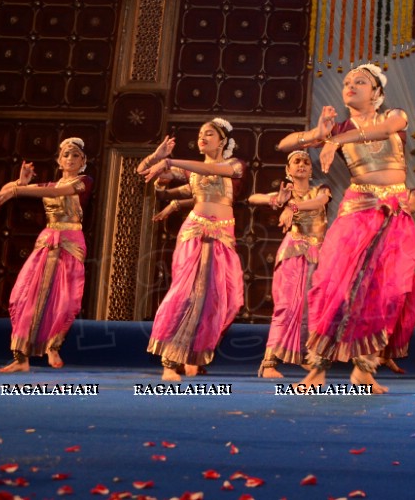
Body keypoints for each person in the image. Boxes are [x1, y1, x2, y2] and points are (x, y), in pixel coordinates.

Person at [283, 64, 415, 393]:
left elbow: (386, 128)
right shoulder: (338, 127)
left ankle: (364, 369)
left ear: (376, 92)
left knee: (384, 292)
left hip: (393, 211)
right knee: (334, 285)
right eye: (347, 82)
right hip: (358, 209)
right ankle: (317, 368)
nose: (351, 85)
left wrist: (337, 140)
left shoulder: (394, 116)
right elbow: (284, 144)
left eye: (360, 81)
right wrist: (317, 134)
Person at [139, 119, 245, 382]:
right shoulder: (193, 173)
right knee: (187, 292)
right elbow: (143, 173)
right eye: (199, 134)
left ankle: (193, 354)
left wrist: (173, 164)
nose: (202, 137)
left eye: (209, 133)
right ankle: (169, 359)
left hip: (223, 235)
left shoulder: (234, 165)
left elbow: (213, 172)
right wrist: (157, 157)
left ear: (223, 141)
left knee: (226, 298)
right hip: (195, 232)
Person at [0, 137, 92, 373]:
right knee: (25, 295)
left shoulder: (84, 181)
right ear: (58, 160)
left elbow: (63, 190)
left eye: (76, 155)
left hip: (70, 242)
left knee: (65, 299)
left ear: (83, 161)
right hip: (47, 241)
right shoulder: (47, 186)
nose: (70, 159)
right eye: (66, 154)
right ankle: (21, 358)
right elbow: (6, 191)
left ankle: (53, 345)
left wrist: (18, 190)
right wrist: (19, 182)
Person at [249, 150, 331, 378]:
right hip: (294, 251)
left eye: (306, 162)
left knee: (314, 307)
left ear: (312, 170)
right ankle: (268, 363)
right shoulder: (286, 195)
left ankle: (308, 357)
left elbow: (320, 203)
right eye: (296, 161)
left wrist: (291, 208)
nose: (302, 164)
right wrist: (275, 200)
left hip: (319, 254)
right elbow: (252, 199)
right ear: (288, 170)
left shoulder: (321, 190)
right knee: (287, 305)